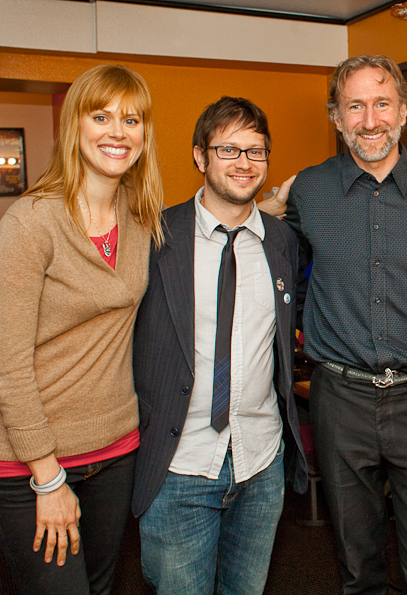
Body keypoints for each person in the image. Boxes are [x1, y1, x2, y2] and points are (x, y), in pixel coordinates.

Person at [261, 54, 407, 594]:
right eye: (355, 106)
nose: (371, 120)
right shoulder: (309, 192)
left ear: (405, 112)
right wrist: (268, 201)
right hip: (338, 399)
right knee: (356, 561)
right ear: (337, 118)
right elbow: (274, 264)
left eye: (382, 103)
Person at [131, 96, 307, 595]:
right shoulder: (155, 236)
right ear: (199, 156)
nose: (244, 163)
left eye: (256, 151)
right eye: (228, 149)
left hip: (260, 464)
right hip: (178, 466)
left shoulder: (281, 242)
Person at [0, 64, 163, 595]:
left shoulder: (140, 218)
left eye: (132, 119)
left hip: (116, 450)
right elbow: (8, 362)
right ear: (76, 124)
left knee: (99, 588)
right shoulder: (30, 222)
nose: (118, 131)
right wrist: (47, 476)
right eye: (102, 115)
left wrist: (265, 209)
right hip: (32, 463)